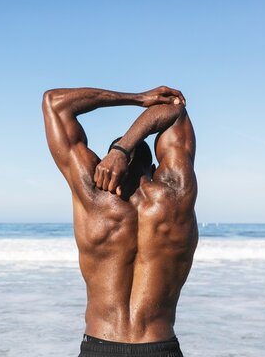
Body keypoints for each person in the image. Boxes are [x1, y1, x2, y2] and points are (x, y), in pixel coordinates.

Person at [42, 86, 198, 357]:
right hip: (159, 346)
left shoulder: (92, 196)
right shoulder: (176, 197)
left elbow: (54, 102)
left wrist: (137, 100)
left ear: (104, 166)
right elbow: (175, 110)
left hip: (98, 346)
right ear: (154, 169)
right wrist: (125, 148)